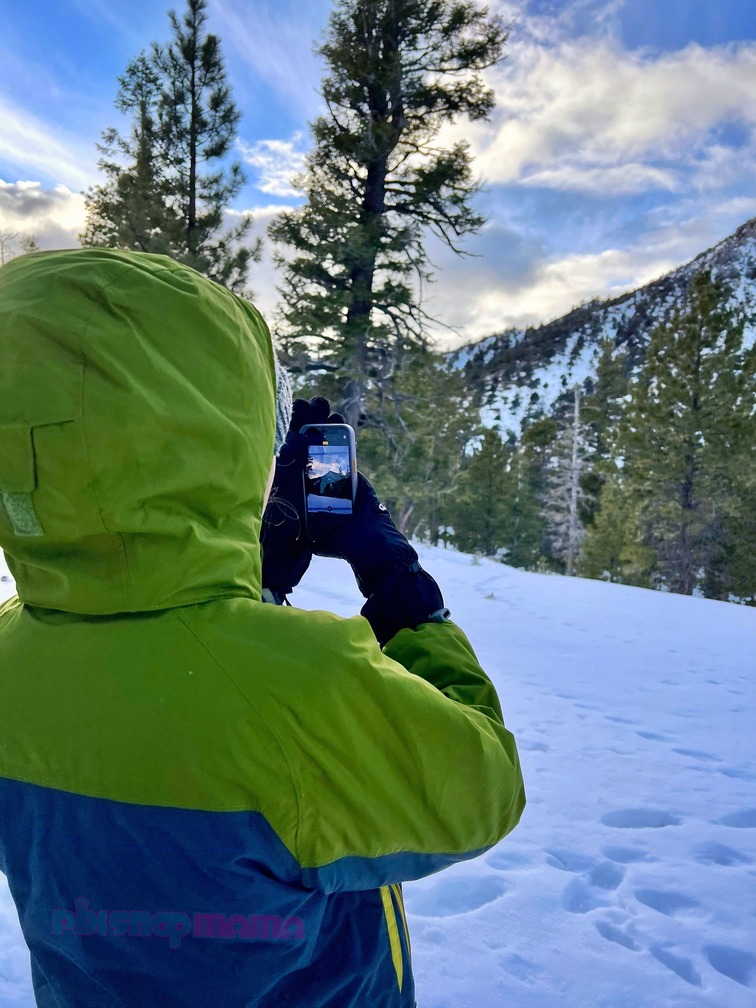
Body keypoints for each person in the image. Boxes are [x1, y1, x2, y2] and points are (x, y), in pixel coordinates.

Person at [0, 248, 525, 1008]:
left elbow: (161, 706)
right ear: (218, 437)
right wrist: (399, 586)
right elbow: (485, 789)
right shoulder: (303, 688)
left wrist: (253, 589)